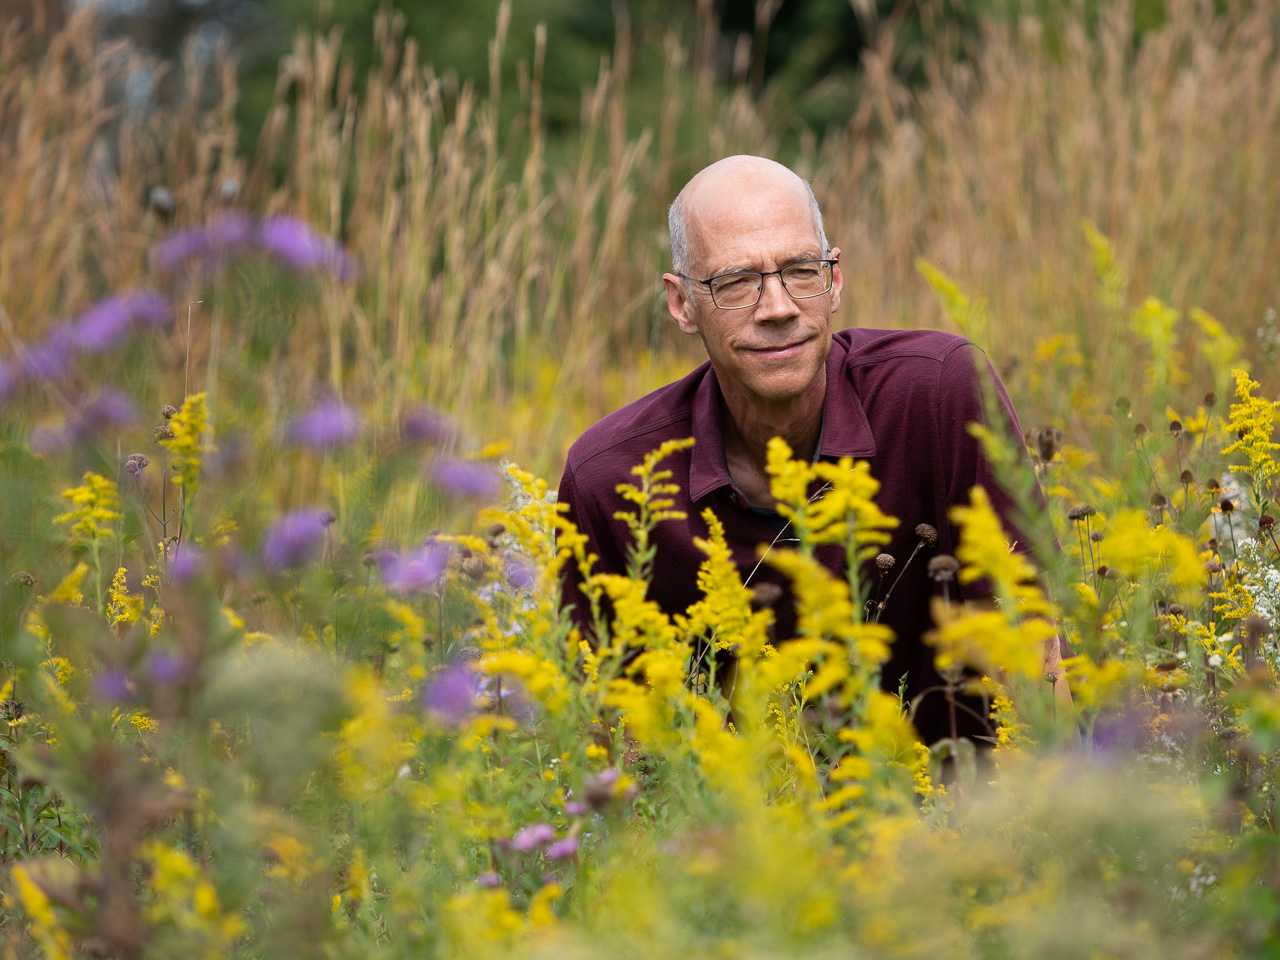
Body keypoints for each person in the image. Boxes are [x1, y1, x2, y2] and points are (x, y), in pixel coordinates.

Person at [557, 155, 1059, 745]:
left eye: (800, 270)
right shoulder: (609, 478)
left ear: (835, 279)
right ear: (681, 304)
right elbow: (607, 742)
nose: (778, 308)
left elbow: (1034, 667)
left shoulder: (940, 393)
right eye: (735, 283)